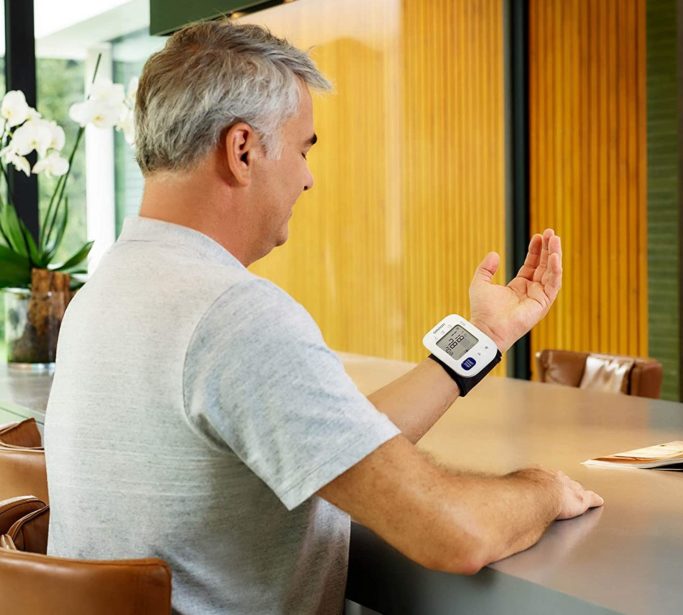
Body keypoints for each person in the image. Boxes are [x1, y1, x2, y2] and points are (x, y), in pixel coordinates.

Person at [44, 20, 603, 615]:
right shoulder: (232, 314)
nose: (308, 177)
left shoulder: (110, 287)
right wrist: (542, 489)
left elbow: (333, 440)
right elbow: (454, 534)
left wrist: (486, 335)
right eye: (305, 148)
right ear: (242, 150)